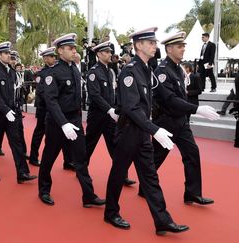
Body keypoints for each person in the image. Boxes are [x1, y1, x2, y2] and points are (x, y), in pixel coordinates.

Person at [104, 27, 189, 235]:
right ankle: (111, 212)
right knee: (118, 173)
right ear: (139, 45)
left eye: (154, 42)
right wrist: (155, 129)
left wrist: (150, 129)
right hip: (128, 133)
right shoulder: (130, 71)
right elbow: (131, 108)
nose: (154, 46)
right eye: (150, 43)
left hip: (142, 133)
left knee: (150, 177)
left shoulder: (146, 68)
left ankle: (162, 220)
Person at [148, 32, 218, 208]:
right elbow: (170, 98)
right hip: (165, 122)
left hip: (180, 121)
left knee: (192, 153)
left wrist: (190, 110)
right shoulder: (162, 71)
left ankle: (192, 193)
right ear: (169, 49)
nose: (183, 49)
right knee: (157, 157)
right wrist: (196, 109)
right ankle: (145, 186)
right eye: (180, 47)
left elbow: (182, 96)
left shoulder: (179, 69)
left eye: (184, 46)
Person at [38, 33, 105, 207]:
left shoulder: (74, 68)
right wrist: (63, 123)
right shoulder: (52, 73)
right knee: (49, 157)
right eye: (70, 48)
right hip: (57, 122)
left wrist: (73, 121)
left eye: (75, 47)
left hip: (74, 120)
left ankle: (88, 195)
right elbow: (50, 101)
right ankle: (44, 190)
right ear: (60, 51)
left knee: (81, 160)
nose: (74, 50)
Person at [85, 41, 136, 186]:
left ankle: (121, 175)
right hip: (97, 116)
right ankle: (81, 169)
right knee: (89, 144)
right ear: (99, 54)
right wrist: (109, 109)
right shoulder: (94, 72)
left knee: (116, 146)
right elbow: (95, 95)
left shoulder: (110, 71)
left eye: (110, 52)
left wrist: (116, 109)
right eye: (106, 52)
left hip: (110, 116)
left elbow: (112, 93)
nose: (109, 54)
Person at [0, 41, 37, 183]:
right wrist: (5, 110)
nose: (9, 55)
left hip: (12, 113)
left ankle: (22, 173)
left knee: (17, 144)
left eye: (9, 53)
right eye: (6, 53)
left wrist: (16, 107)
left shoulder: (12, 72)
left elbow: (16, 93)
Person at [29, 47, 56, 167]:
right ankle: (33, 157)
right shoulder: (42, 73)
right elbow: (41, 92)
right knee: (39, 133)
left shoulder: (56, 70)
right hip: (44, 108)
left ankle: (68, 160)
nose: (54, 58)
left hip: (53, 109)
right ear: (45, 59)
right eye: (51, 57)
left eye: (54, 56)